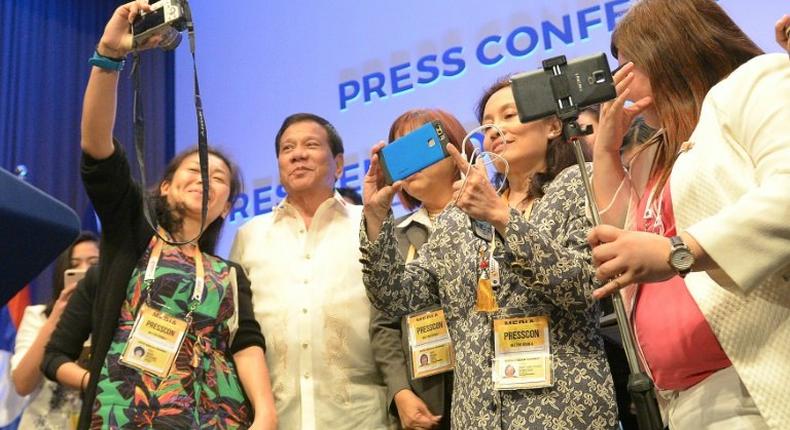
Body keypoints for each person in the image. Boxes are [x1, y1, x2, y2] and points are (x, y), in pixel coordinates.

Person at [41, 2, 277, 429]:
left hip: (220, 418)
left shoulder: (229, 274)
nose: (206, 177)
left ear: (226, 207)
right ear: (164, 185)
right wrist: (108, 56)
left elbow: (245, 343)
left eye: (219, 178)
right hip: (128, 413)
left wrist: (265, 413)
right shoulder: (133, 234)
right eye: (195, 168)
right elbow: (98, 151)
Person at [360, 77, 617, 429]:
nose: (496, 130)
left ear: (553, 126)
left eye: (510, 115)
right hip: (478, 414)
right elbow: (395, 299)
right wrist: (375, 219)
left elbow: (583, 288)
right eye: (488, 123)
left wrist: (500, 216)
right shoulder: (459, 215)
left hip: (564, 409)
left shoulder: (579, 183)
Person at [587, 0, 790, 428]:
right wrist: (606, 151)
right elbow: (620, 234)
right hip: (679, 401)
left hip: (751, 379)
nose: (618, 84)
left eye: (628, 66)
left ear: (668, 51)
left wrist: (680, 250)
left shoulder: (757, 82)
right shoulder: (655, 150)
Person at [230, 113, 391, 429]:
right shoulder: (250, 235)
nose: (297, 154)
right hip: (275, 419)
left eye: (311, 145)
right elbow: (236, 331)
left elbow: (394, 315)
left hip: (360, 418)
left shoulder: (369, 221)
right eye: (287, 148)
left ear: (339, 164)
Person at [369, 109, 472, 430]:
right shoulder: (392, 236)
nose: (409, 163)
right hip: (427, 399)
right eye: (398, 152)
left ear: (452, 146)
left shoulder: (493, 214)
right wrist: (400, 391)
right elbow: (383, 324)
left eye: (418, 147)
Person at [11, 232, 98, 429]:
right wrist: (56, 317)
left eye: (94, 264)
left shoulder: (116, 322)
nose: (85, 271)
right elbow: (22, 384)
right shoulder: (38, 316)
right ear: (63, 272)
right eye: (75, 265)